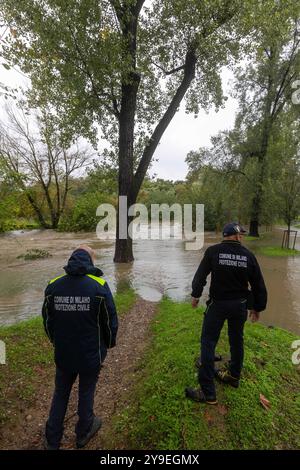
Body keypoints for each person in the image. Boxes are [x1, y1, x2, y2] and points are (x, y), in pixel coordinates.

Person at [42, 245, 118, 449]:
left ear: (71, 260)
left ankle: (52, 438)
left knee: (61, 392)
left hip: (64, 353)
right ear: (90, 261)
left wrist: (55, 341)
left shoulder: (53, 285)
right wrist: (109, 343)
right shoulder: (99, 285)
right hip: (90, 354)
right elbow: (110, 320)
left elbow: (48, 322)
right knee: (86, 390)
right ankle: (83, 432)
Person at [185, 222, 267, 405]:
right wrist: (257, 307)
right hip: (240, 306)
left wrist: (196, 295)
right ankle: (233, 376)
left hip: (218, 305)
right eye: (241, 235)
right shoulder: (248, 256)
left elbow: (200, 276)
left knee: (208, 341)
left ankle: (208, 392)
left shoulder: (213, 252)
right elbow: (258, 284)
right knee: (237, 340)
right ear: (236, 236)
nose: (242, 237)